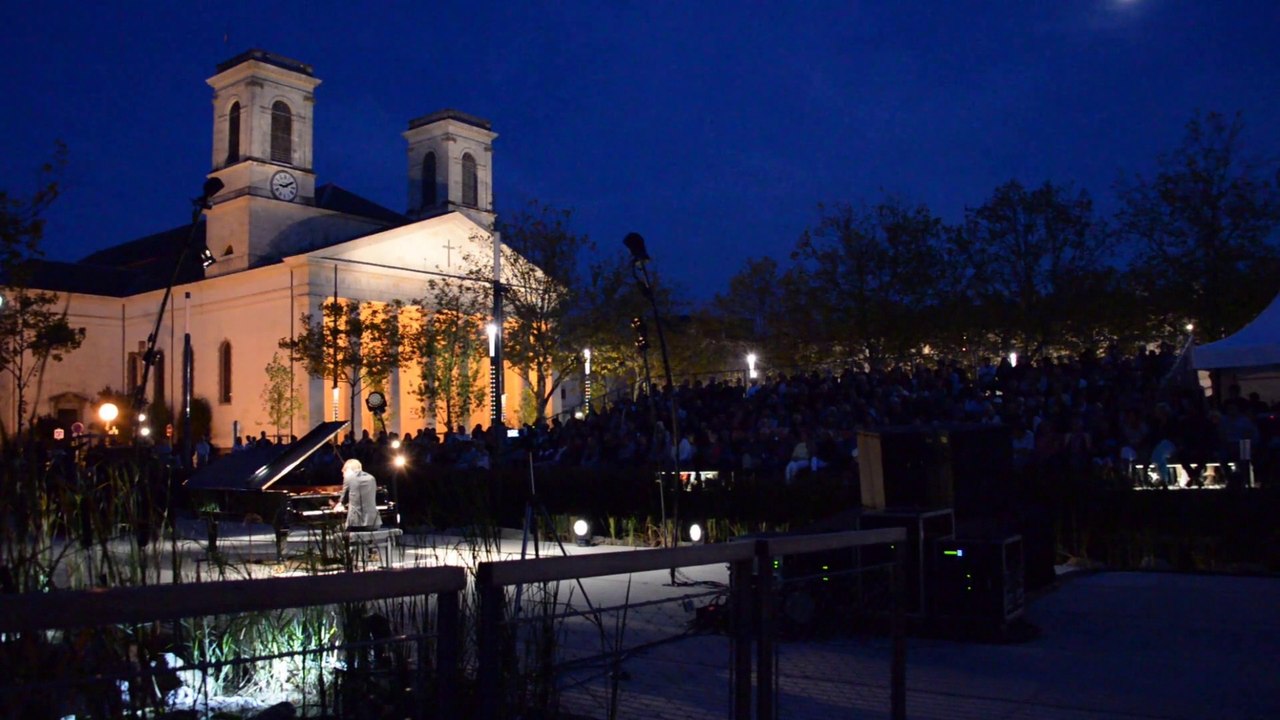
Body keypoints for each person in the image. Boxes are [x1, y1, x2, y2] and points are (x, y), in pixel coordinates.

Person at [333, 458, 382, 531]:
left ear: (348, 469)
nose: (343, 476)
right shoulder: (371, 478)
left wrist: (337, 506)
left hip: (356, 524)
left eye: (343, 473)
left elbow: (343, 500)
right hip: (375, 523)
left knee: (334, 530)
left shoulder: (349, 478)